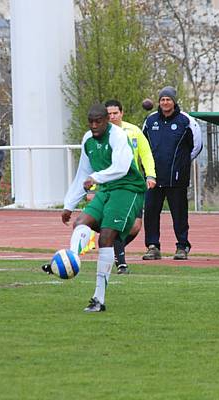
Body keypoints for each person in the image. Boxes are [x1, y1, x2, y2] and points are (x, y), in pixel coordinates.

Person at [42, 104, 146, 312]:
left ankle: (98, 299)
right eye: (91, 121)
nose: (94, 125)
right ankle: (72, 260)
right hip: (106, 188)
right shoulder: (88, 139)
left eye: (98, 121)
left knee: (106, 236)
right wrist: (69, 204)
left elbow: (121, 167)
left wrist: (95, 178)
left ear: (107, 120)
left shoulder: (117, 136)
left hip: (128, 188)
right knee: (80, 223)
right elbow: (83, 172)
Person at [142, 86, 203, 260]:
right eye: (162, 99)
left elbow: (197, 146)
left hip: (177, 178)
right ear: (159, 102)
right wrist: (148, 171)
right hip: (153, 177)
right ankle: (153, 246)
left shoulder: (186, 121)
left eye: (168, 99)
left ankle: (182, 246)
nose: (165, 102)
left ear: (174, 101)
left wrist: (181, 164)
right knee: (151, 212)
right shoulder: (150, 120)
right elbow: (143, 147)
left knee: (179, 214)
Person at [104, 99, 156, 274]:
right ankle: (122, 263)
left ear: (121, 113)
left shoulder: (133, 131)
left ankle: (110, 248)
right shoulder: (101, 134)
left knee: (135, 226)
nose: (112, 117)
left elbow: (146, 154)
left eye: (115, 113)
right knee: (120, 222)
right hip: (113, 184)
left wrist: (150, 175)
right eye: (109, 114)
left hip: (134, 184)